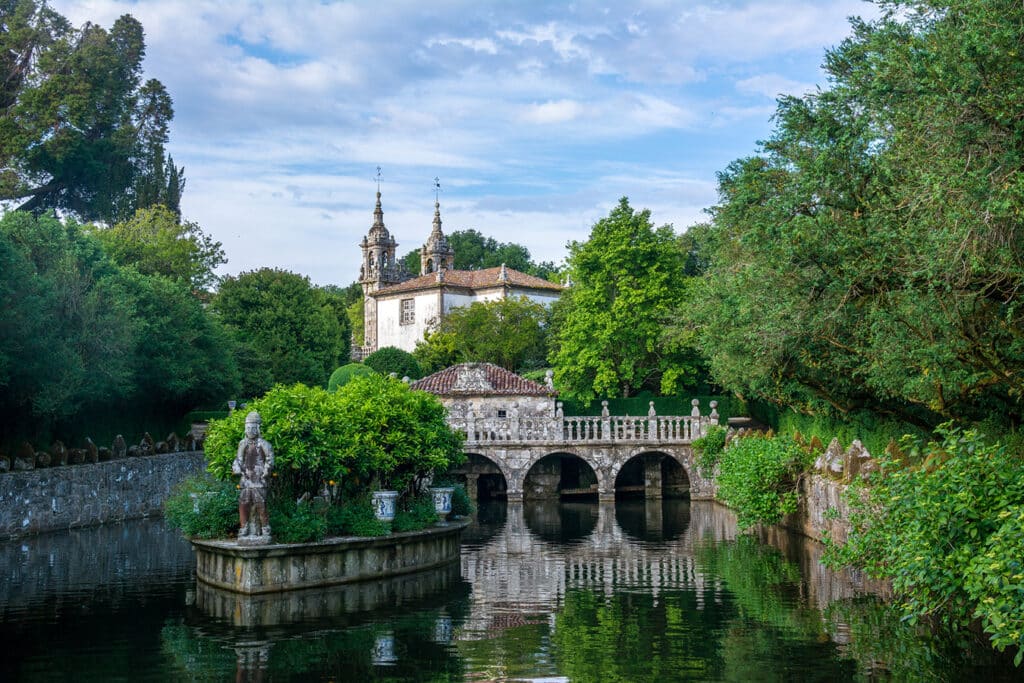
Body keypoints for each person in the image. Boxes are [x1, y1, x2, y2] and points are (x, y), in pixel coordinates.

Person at [233, 411, 274, 539]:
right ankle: (244, 527)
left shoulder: (264, 444)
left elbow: (270, 459)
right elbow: (238, 459)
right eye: (248, 427)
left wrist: (266, 471)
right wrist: (236, 468)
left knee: (261, 504)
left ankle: (265, 527)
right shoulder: (242, 444)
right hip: (246, 479)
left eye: (253, 427)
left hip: (259, 479)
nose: (250, 430)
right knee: (243, 503)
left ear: (258, 428)